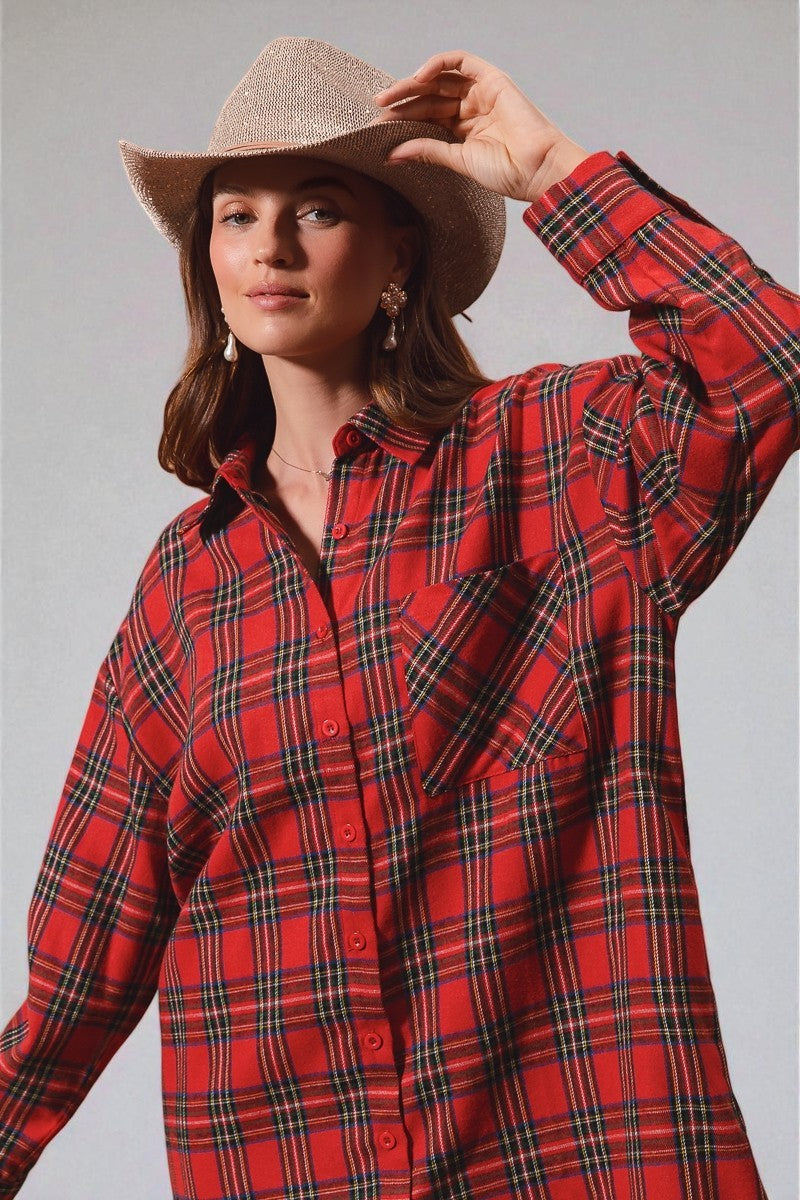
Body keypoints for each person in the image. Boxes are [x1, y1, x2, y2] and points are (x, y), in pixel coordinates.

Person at [0, 34, 796, 1200]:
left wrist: (552, 171)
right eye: (235, 215)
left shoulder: (556, 460)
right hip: (288, 1166)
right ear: (205, 265)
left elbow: (763, 362)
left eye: (315, 209)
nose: (269, 245)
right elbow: (83, 963)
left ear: (395, 259)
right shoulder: (181, 595)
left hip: (575, 1153)